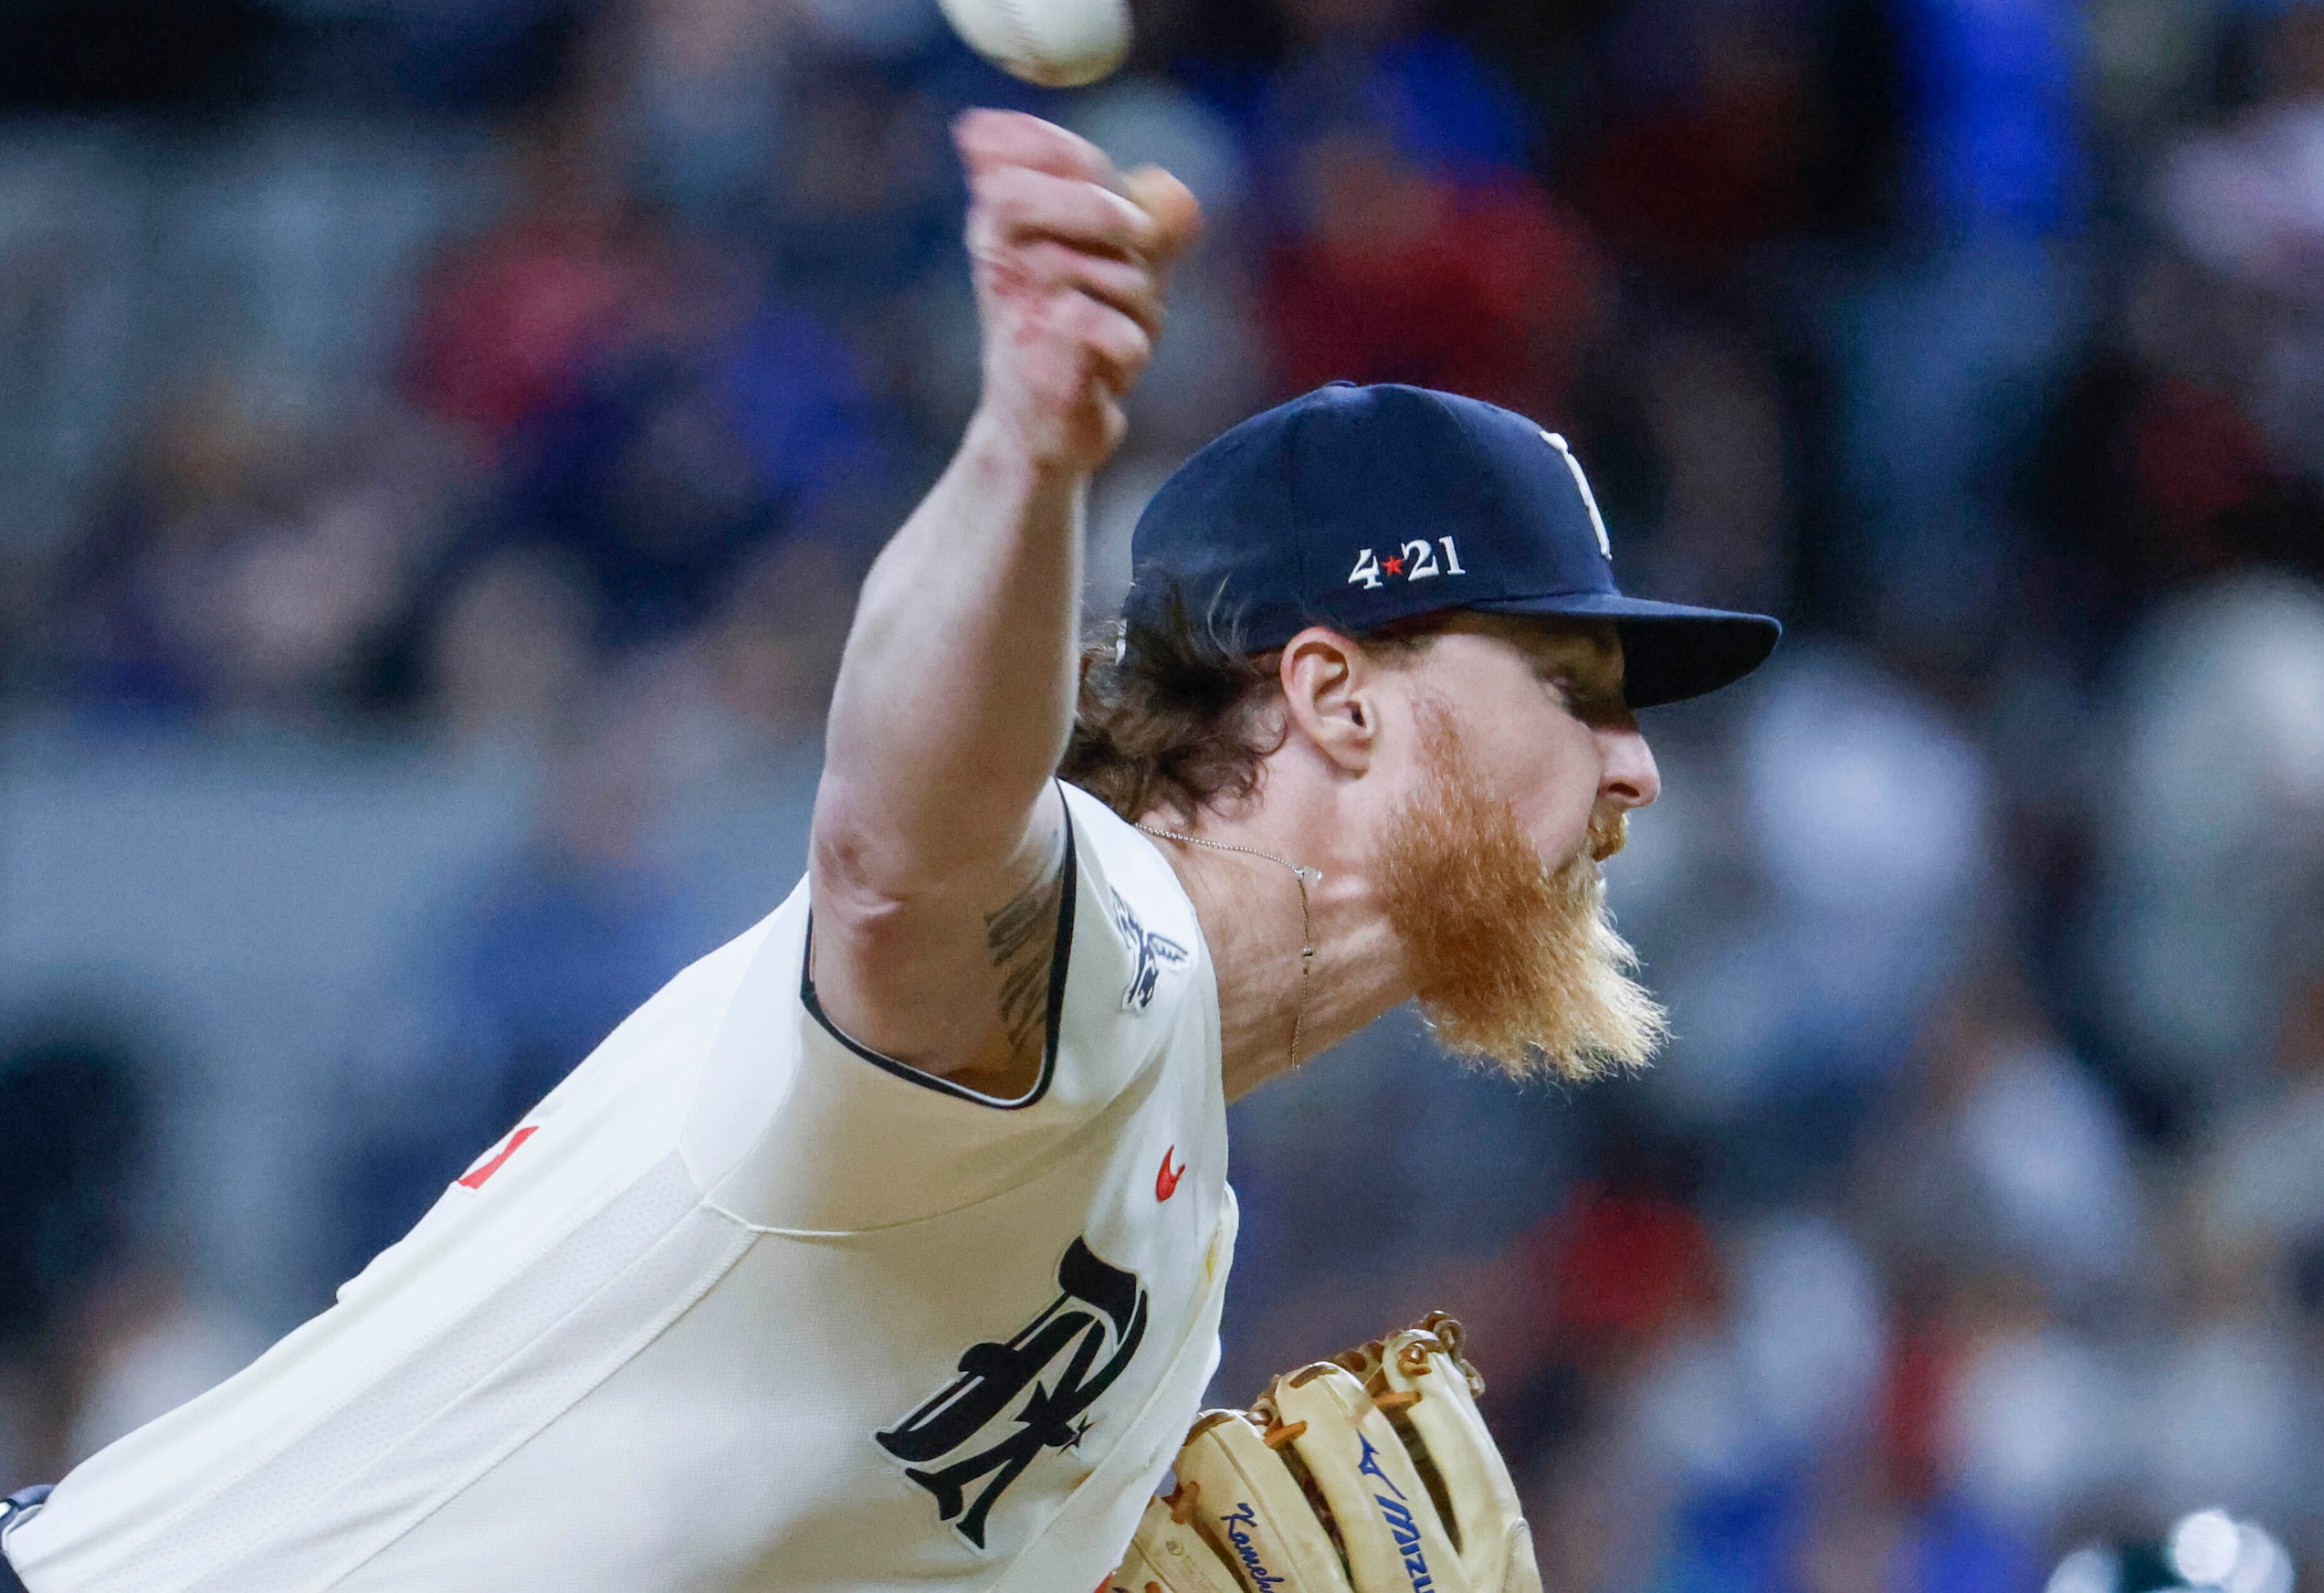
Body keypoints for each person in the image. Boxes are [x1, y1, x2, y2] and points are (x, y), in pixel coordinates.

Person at [0, 111, 1777, 1592]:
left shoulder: (1185, 1231)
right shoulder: (1095, 954)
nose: (1632, 771)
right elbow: (893, 851)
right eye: (1567, 683)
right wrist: (1024, 453)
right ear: (1333, 694)